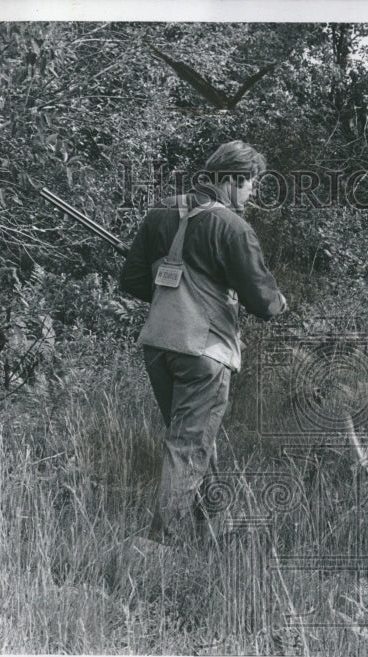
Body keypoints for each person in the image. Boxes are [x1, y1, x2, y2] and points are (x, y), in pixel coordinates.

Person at [119, 141, 287, 543]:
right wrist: (279, 303)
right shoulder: (231, 227)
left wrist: (175, 292)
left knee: (192, 440)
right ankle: (161, 545)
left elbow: (132, 281)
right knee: (189, 445)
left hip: (159, 345)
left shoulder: (161, 211)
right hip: (205, 352)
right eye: (250, 185)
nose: (251, 195)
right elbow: (264, 303)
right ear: (232, 180)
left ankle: (212, 529)